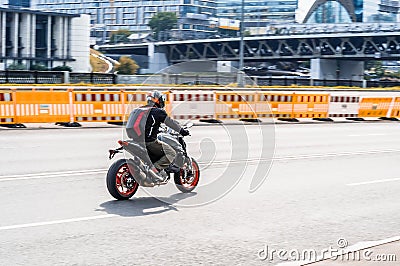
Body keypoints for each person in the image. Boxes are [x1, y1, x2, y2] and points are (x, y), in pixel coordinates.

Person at [126, 91, 190, 182]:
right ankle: (155, 169)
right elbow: (171, 123)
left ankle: (147, 168)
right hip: (149, 142)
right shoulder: (158, 111)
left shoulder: (140, 110)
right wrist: (182, 131)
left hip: (136, 140)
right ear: (158, 101)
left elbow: (147, 125)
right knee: (171, 153)